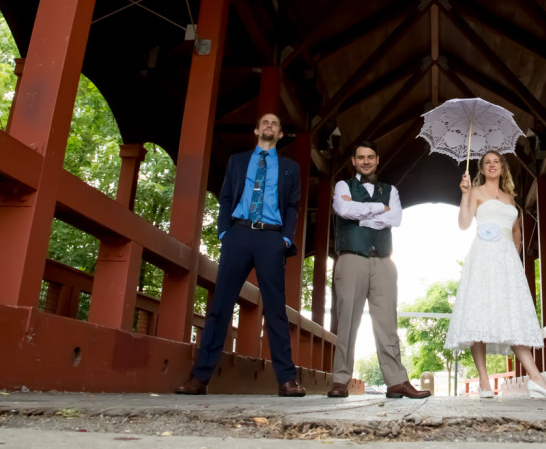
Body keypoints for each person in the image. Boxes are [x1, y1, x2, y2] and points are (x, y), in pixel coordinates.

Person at [176, 113, 305, 397]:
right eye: (265, 122)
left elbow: (293, 206)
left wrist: (284, 239)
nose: (270, 126)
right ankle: (199, 378)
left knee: (275, 309)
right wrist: (225, 232)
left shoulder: (290, 168)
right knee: (220, 305)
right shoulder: (237, 161)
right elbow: (225, 198)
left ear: (281, 134)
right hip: (238, 233)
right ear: (257, 129)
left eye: (275, 124)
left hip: (271, 237)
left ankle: (287, 380)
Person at [445, 151, 546, 400]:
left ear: (502, 167)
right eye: (487, 162)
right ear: (481, 168)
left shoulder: (511, 199)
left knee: (513, 316)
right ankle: (485, 383)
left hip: (506, 261)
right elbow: (464, 224)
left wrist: (514, 257)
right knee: (479, 313)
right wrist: (465, 194)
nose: (492, 165)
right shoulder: (475, 192)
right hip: (483, 258)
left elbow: (517, 230)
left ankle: (536, 379)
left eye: (496, 161)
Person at [328, 140, 430, 399]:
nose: (365, 161)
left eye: (370, 157)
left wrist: (361, 216)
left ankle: (396, 381)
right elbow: (343, 208)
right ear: (353, 161)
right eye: (360, 157)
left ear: (377, 159)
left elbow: (394, 219)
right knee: (348, 320)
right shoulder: (343, 186)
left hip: (384, 260)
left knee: (387, 323)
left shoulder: (390, 190)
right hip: (352, 258)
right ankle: (340, 380)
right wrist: (376, 210)